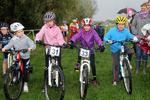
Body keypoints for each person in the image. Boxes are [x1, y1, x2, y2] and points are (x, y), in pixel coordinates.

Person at [35, 11, 67, 92]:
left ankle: (61, 80)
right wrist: (37, 39)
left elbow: (60, 38)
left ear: (54, 21)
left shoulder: (57, 29)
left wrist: (63, 43)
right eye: (47, 21)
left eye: (50, 21)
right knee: (47, 67)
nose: (48, 23)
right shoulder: (44, 27)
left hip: (56, 48)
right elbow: (39, 34)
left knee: (59, 65)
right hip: (48, 48)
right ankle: (45, 84)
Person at [69, 18, 105, 86]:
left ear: (90, 26)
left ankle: (94, 78)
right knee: (79, 50)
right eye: (85, 26)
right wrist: (72, 41)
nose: (86, 27)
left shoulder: (93, 31)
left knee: (92, 63)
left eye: (88, 26)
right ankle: (78, 63)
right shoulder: (81, 31)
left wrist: (101, 45)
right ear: (83, 26)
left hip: (91, 49)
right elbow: (76, 36)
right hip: (83, 47)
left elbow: (97, 38)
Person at [2, 22, 36, 92]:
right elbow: (9, 45)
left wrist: (31, 47)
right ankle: (14, 77)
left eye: (22, 31)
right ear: (15, 33)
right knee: (15, 66)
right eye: (19, 32)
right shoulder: (14, 39)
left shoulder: (26, 38)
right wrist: (5, 48)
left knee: (25, 70)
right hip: (17, 55)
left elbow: (32, 44)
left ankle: (25, 84)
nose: (21, 33)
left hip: (25, 56)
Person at [104, 16, 138, 85]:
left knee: (130, 52)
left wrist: (135, 38)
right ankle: (115, 79)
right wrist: (108, 40)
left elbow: (130, 36)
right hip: (115, 48)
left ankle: (127, 63)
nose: (121, 26)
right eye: (119, 24)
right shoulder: (112, 30)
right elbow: (106, 37)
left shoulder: (125, 30)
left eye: (122, 24)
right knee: (116, 64)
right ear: (117, 24)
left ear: (124, 25)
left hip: (123, 45)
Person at [131, 2, 150, 74]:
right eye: (141, 8)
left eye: (144, 8)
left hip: (146, 38)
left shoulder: (149, 16)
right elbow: (133, 25)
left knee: (145, 53)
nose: (142, 9)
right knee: (138, 53)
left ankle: (144, 70)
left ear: (147, 8)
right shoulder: (137, 15)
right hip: (138, 37)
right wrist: (135, 34)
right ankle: (137, 70)